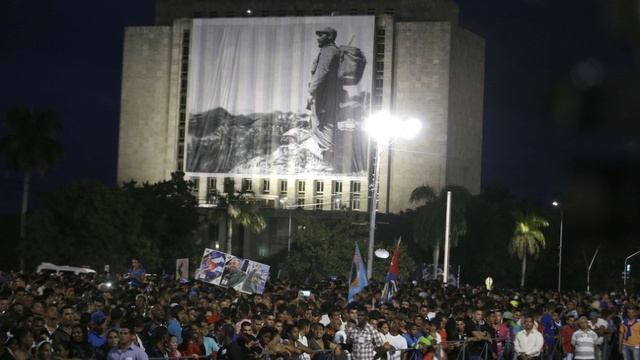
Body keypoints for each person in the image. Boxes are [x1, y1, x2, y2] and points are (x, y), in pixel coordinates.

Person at [308, 26, 341, 166]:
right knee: (322, 124)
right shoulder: (329, 50)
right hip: (326, 94)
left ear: (329, 36)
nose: (318, 37)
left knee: (323, 125)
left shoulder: (329, 50)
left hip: (324, 95)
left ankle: (327, 161)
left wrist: (311, 91)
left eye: (321, 35)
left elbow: (321, 73)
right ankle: (327, 158)